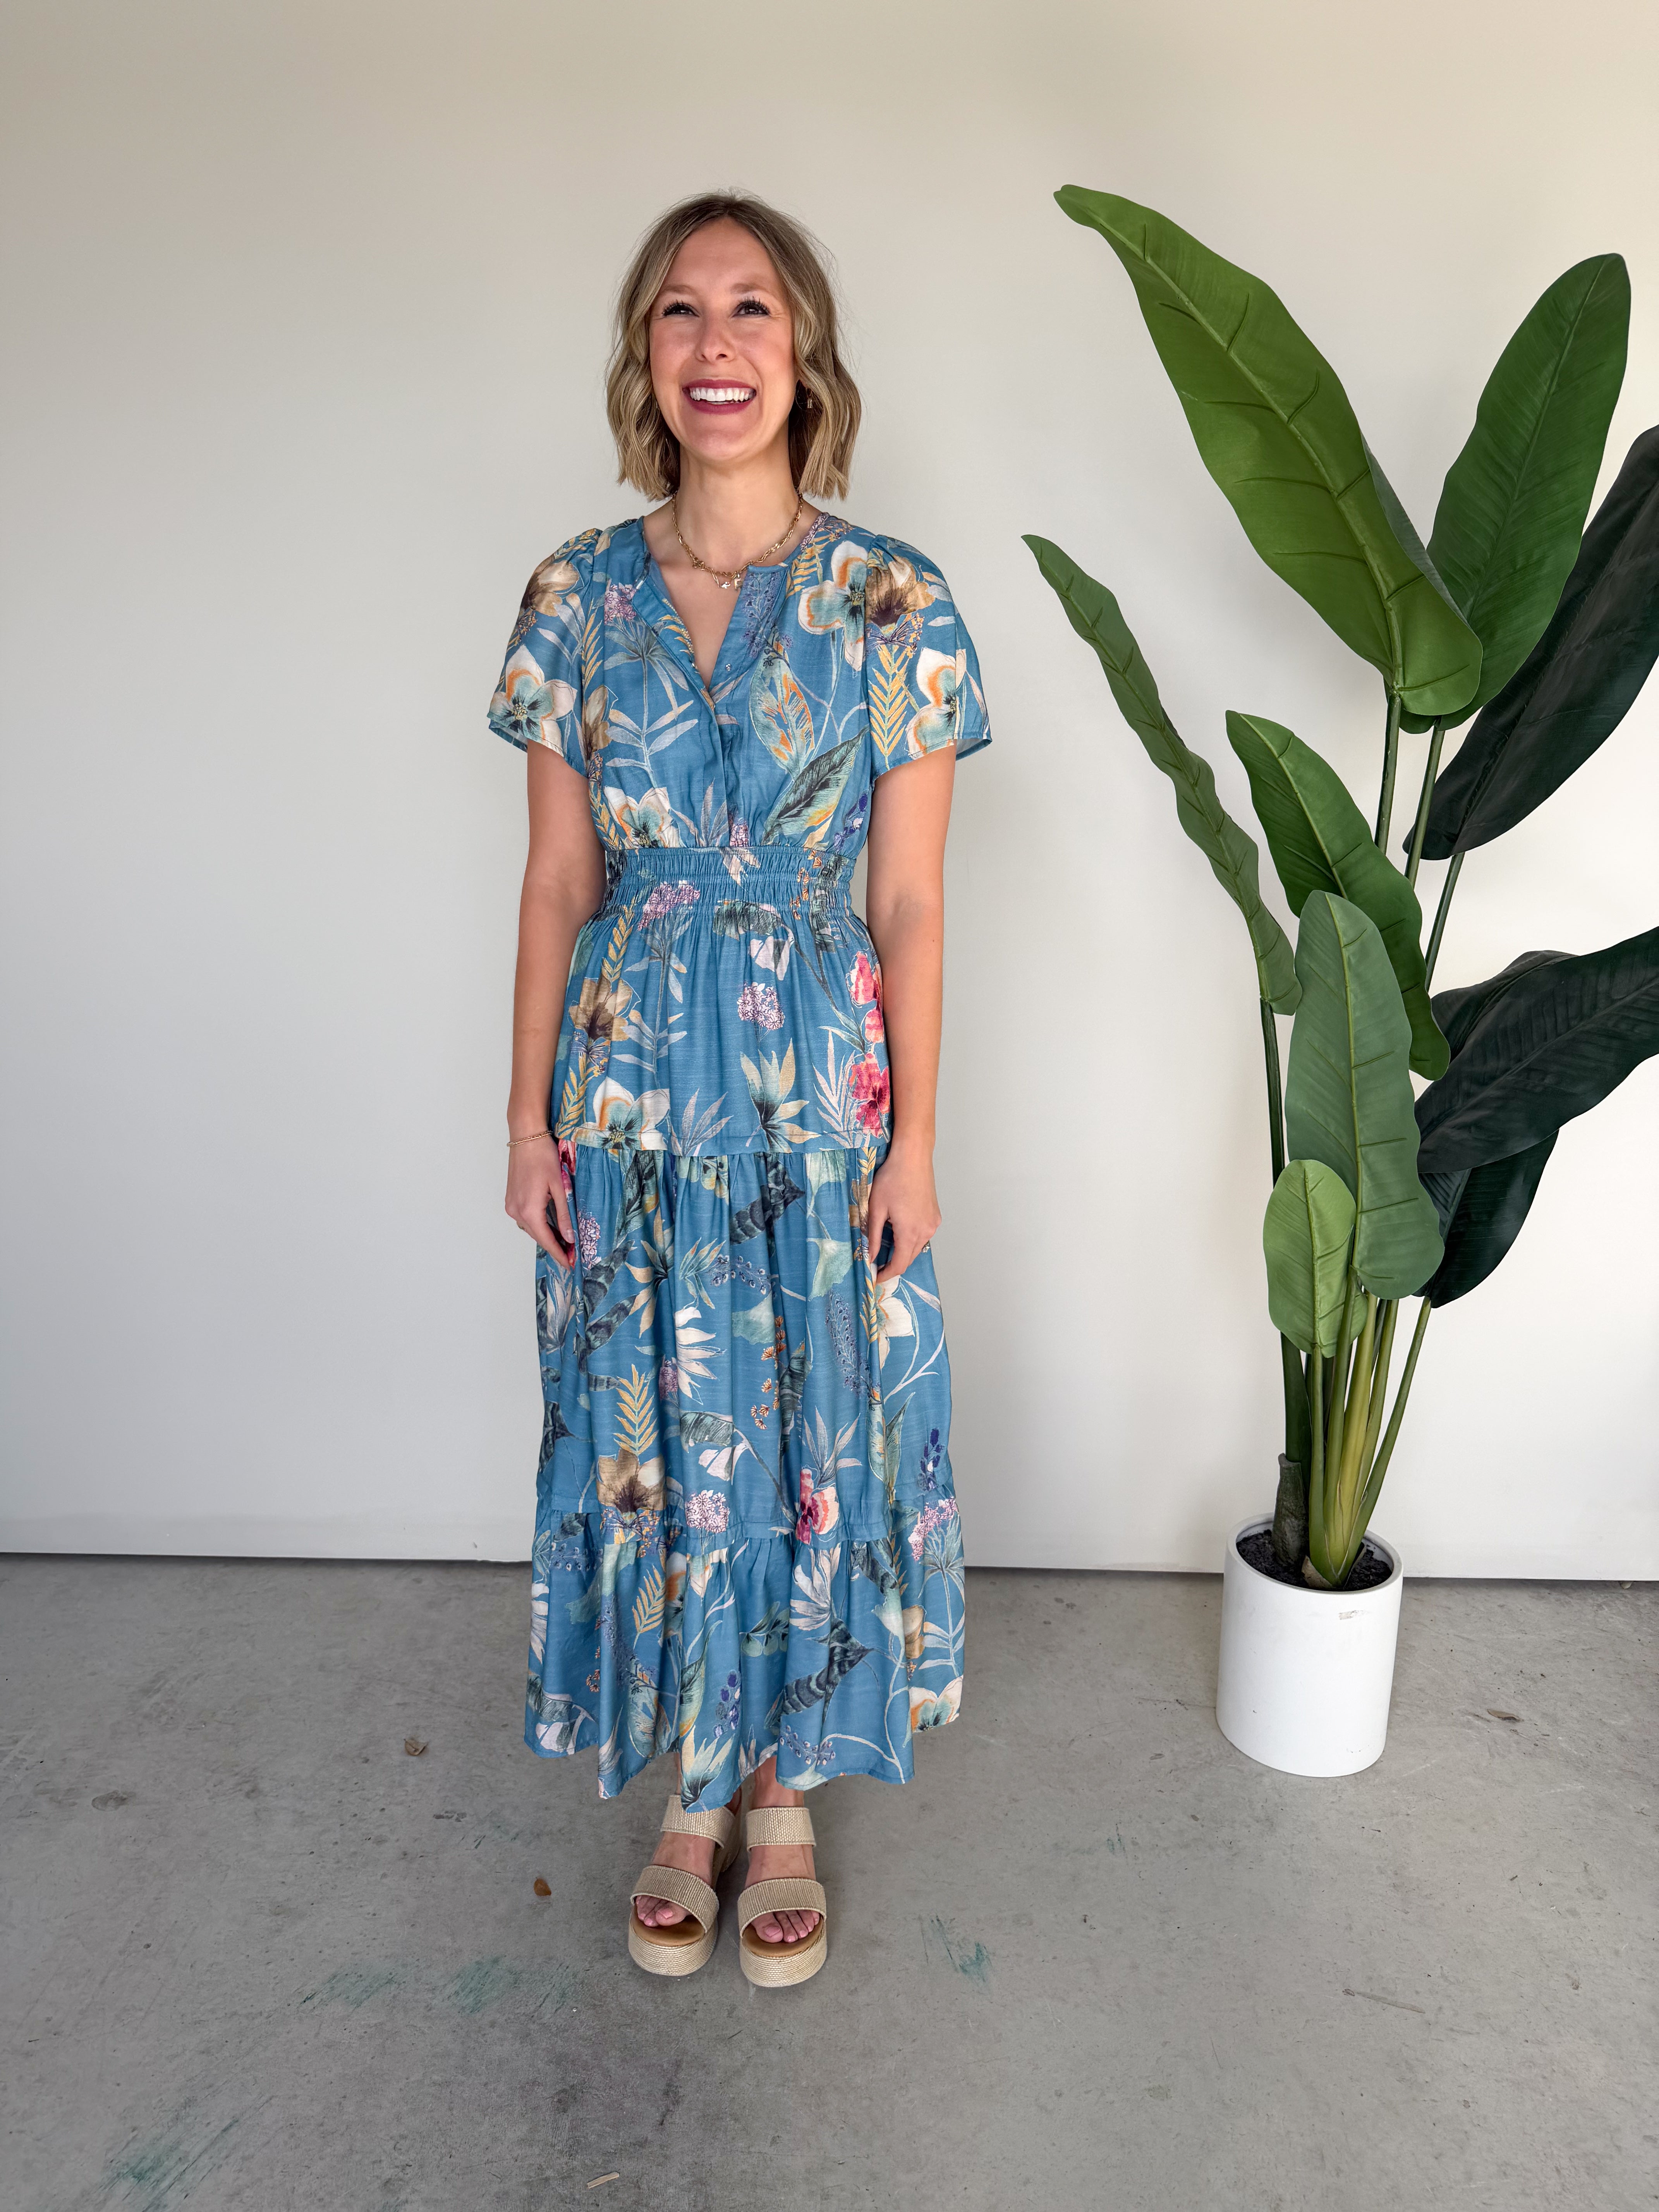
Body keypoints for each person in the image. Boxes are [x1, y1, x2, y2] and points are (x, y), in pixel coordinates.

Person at [488, 190, 991, 1989]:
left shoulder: (894, 600)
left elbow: (910, 899)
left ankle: (782, 1792)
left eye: (753, 308)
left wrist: (916, 1143)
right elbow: (560, 880)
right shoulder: (575, 597)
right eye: (681, 311)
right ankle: (693, 1793)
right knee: (657, 1429)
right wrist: (527, 1120)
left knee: (806, 1431)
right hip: (630, 1092)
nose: (717, 343)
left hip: (816, 1095)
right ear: (647, 356)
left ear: (805, 356)